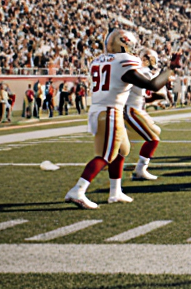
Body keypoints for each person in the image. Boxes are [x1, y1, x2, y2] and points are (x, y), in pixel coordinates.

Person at [65, 29, 169, 209]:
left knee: (122, 150)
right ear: (123, 42)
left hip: (104, 109)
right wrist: (171, 69)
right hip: (110, 111)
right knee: (106, 155)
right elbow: (152, 85)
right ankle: (78, 189)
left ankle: (115, 192)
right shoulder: (124, 61)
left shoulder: (98, 60)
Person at [124, 48, 168, 181]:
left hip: (137, 109)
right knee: (153, 139)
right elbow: (153, 85)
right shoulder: (144, 72)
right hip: (131, 110)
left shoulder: (140, 72)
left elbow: (142, 96)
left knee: (156, 130)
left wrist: (154, 100)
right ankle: (140, 170)